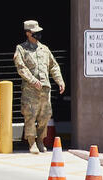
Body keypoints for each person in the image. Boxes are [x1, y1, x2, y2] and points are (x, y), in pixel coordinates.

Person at [13, 19, 65, 154]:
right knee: (30, 115)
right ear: (28, 33)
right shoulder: (21, 49)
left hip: (45, 89)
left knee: (45, 116)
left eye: (38, 32)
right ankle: (32, 143)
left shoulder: (44, 49)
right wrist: (32, 80)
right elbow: (21, 67)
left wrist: (59, 80)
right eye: (35, 32)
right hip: (30, 90)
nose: (38, 34)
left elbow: (53, 66)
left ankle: (41, 140)